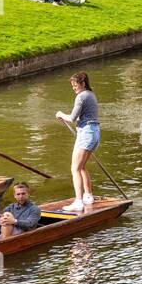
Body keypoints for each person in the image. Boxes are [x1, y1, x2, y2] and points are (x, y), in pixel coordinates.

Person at [55, 72, 100, 213]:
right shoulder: (91, 95)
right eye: (72, 85)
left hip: (86, 134)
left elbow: (73, 118)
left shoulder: (81, 96)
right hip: (94, 133)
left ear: (83, 84)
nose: (74, 88)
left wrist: (60, 114)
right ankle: (88, 195)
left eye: (75, 85)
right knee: (82, 167)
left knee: (74, 168)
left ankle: (78, 201)